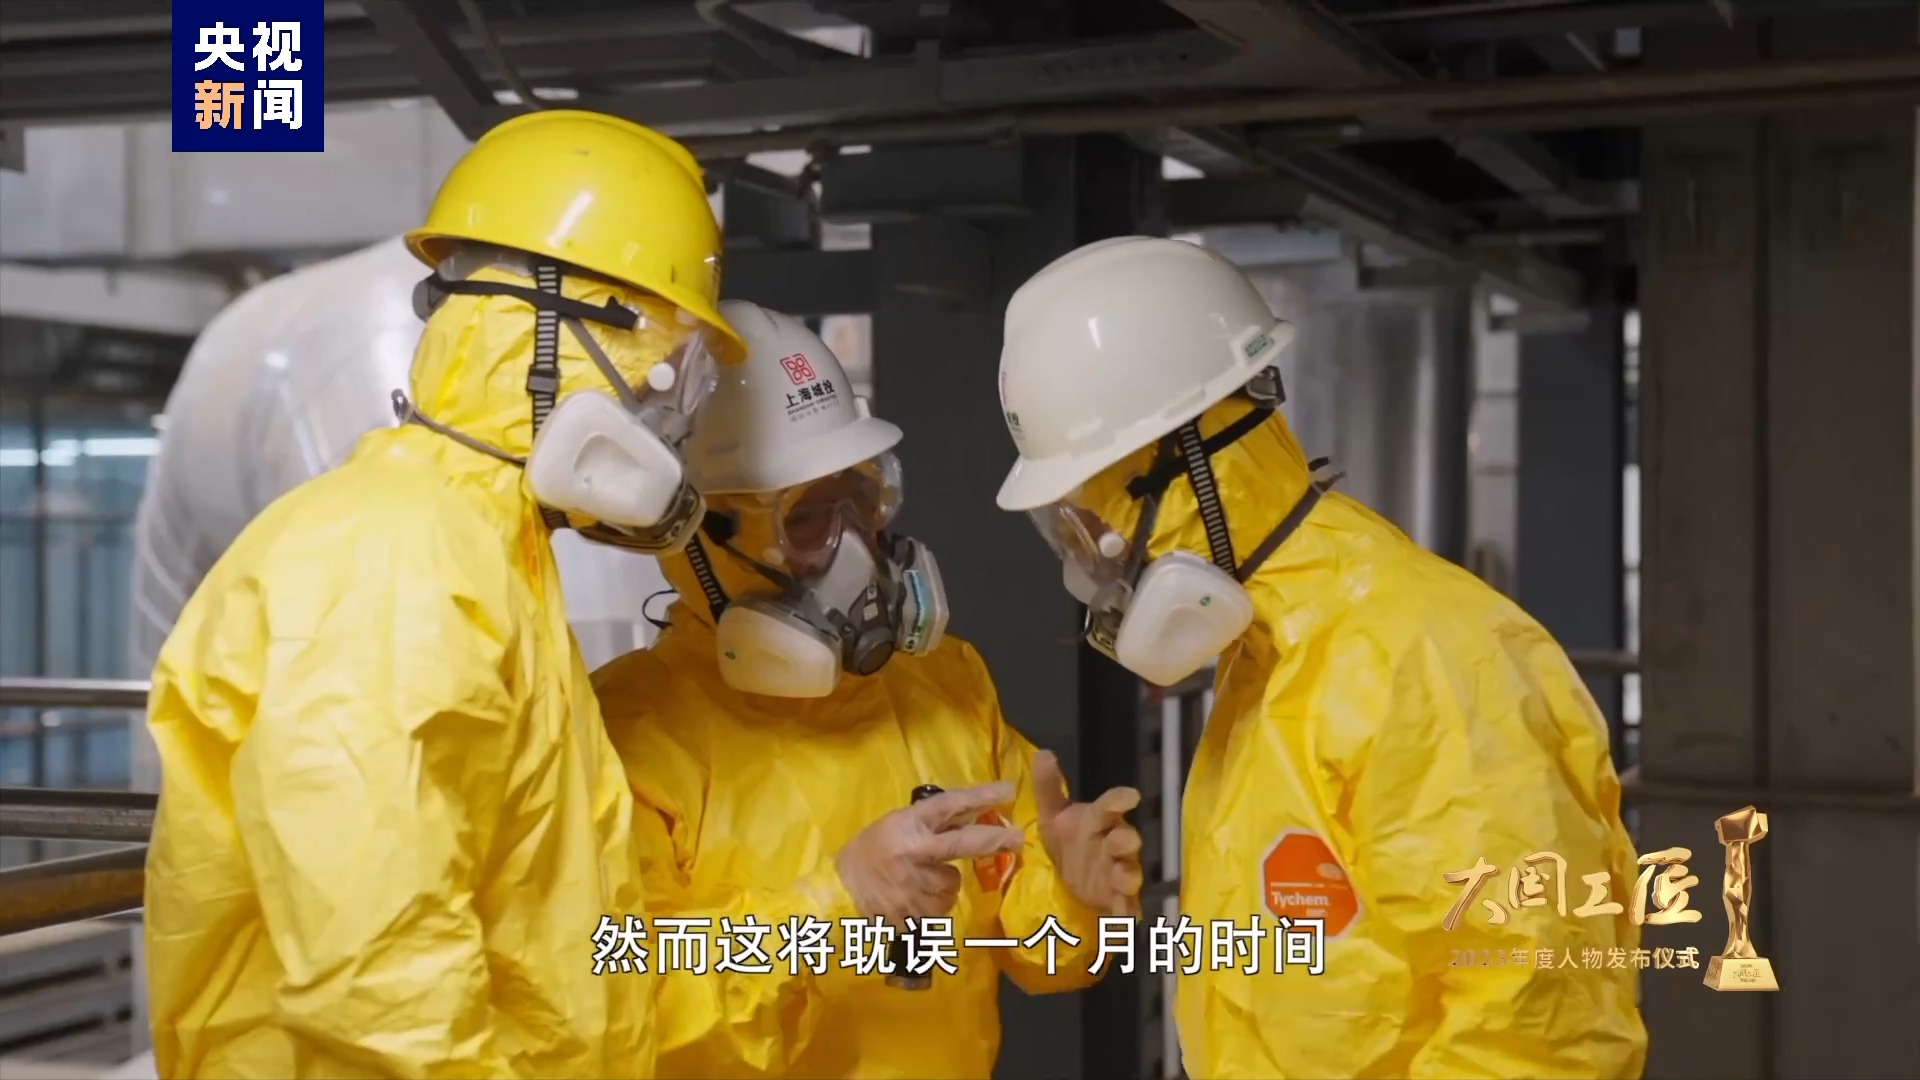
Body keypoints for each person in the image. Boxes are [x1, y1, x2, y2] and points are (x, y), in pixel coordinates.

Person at [142, 110, 741, 1078]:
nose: (666, 427)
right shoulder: (392, 562)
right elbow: (379, 982)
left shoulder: (490, 553)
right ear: (549, 335)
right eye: (661, 377)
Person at [993, 236, 1647, 1079]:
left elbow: (1539, 1033)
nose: (1092, 571)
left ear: (1189, 467)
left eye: (1093, 526)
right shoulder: (1271, 654)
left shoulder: (1425, 656)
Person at [591, 299, 1144, 1079]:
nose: (854, 544)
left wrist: (1076, 899)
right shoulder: (628, 738)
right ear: (698, 541)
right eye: (807, 518)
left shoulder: (945, 682)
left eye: (861, 497)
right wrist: (835, 900)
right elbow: (625, 1015)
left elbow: (1034, 946)